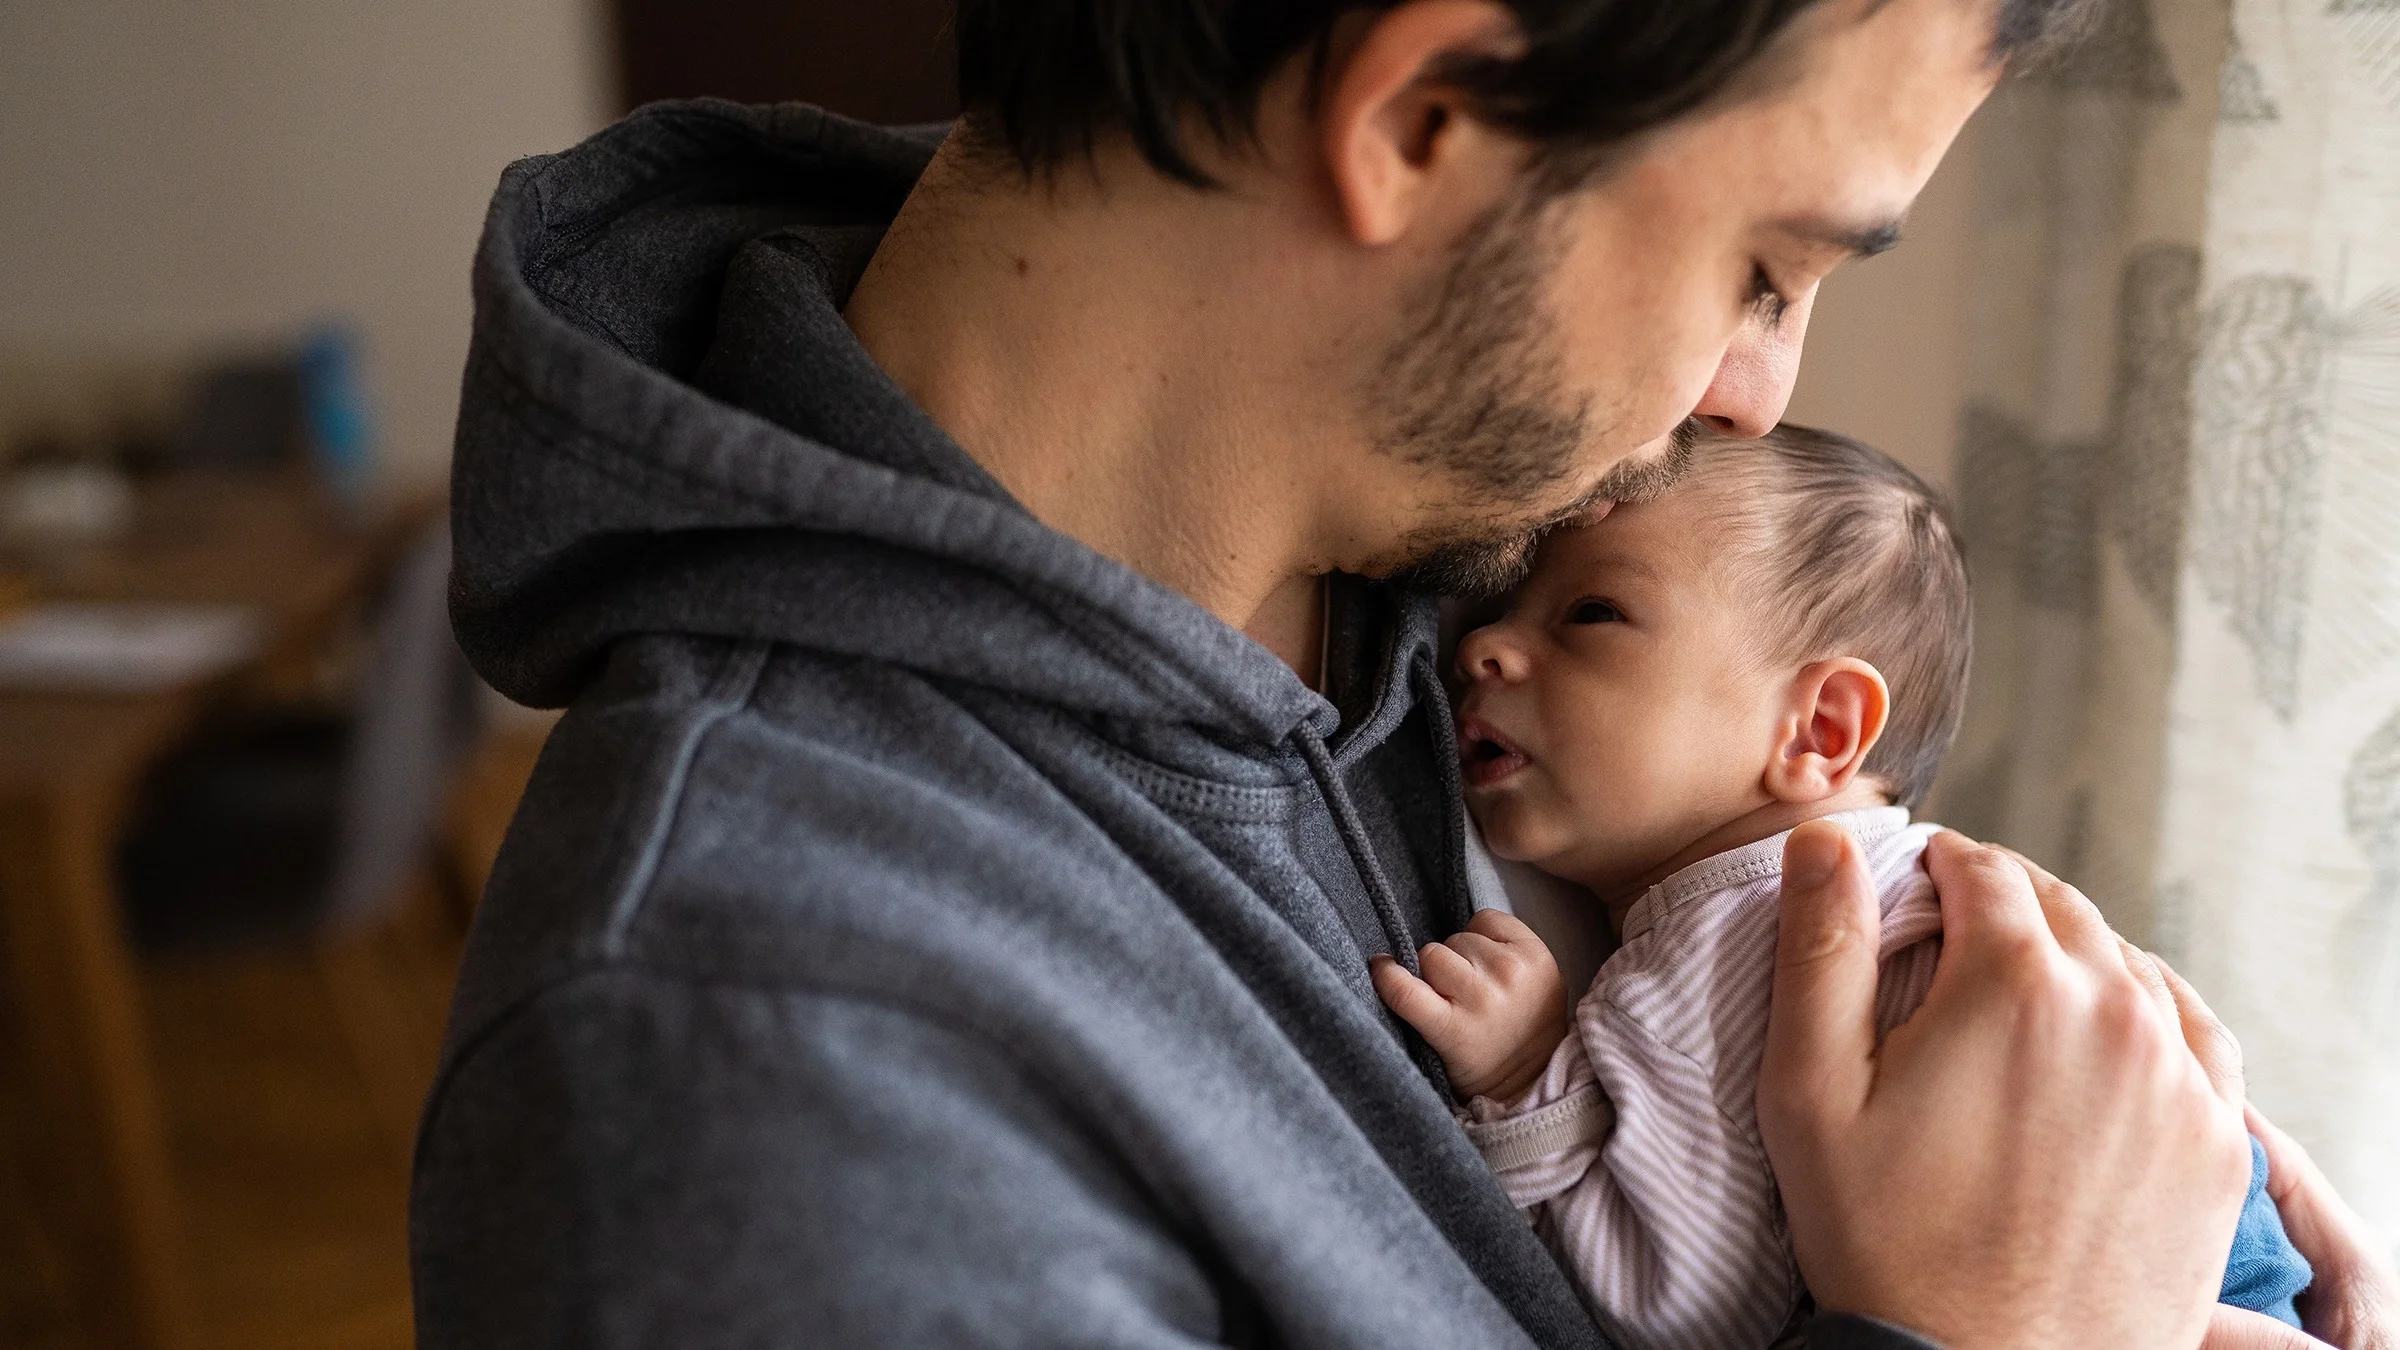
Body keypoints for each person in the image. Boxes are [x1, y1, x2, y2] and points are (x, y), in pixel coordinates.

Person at [413, 0, 2400, 1345]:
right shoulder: (753, 1101)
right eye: (1766, 266)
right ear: (1424, 120)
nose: (1751, 398)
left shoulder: (1462, 587)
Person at [1371, 425, 2312, 1347]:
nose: (1483, 646)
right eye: (1505, 607)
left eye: (1591, 614)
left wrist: (1528, 1073)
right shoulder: (1925, 880)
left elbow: (1689, 1310)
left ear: (1819, 729)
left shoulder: (1718, 951)